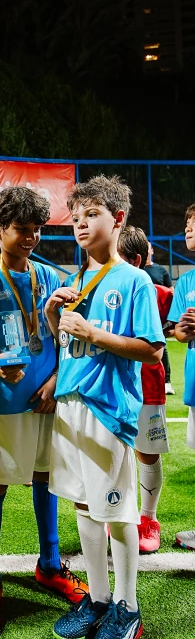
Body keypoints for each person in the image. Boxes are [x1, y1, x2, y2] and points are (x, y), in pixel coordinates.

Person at [46, 175, 165, 639]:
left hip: (107, 412)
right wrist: (53, 318)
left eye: (91, 214)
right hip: (69, 408)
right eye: (75, 217)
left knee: (116, 514)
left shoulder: (133, 280)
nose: (80, 224)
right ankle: (97, 599)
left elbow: (153, 350)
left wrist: (93, 333)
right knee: (82, 504)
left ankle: (127, 607)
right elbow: (68, 345)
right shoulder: (74, 281)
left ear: (117, 219)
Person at [0, 186, 87, 639]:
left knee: (45, 477)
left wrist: (55, 381)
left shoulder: (50, 277)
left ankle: (50, 565)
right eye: (22, 229)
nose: (32, 237)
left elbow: (63, 341)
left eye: (37, 229)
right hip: (6, 399)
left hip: (48, 397)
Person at [118, 225, 173, 553]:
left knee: (146, 453)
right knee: (115, 452)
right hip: (112, 384)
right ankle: (120, 514)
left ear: (136, 261)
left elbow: (179, 319)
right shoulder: (98, 287)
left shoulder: (158, 293)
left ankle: (149, 519)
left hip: (148, 385)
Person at [168, 202, 195, 550]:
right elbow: (176, 331)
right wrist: (184, 331)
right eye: (187, 222)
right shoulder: (186, 280)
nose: (187, 228)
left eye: (194, 222)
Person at [144, 242, 175, 394]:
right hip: (142, 313)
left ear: (152, 250)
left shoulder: (161, 270)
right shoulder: (136, 270)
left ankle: (167, 381)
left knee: (161, 346)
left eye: (147, 247)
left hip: (158, 315)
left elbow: (171, 292)